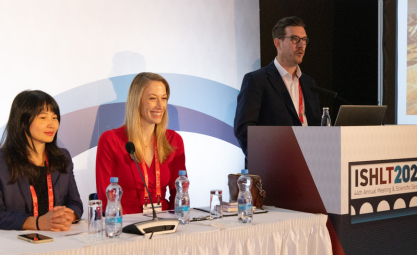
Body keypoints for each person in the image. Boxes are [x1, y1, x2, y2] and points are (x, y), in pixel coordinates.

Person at [96, 72, 186, 214]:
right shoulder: (110, 140)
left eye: (164, 98)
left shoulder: (174, 140)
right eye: (152, 98)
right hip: (125, 226)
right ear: (137, 100)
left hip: (164, 223)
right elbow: (106, 198)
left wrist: (177, 223)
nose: (160, 106)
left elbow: (180, 193)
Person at [234, 16, 321, 161]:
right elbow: (244, 129)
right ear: (278, 43)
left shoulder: (309, 83)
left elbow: (316, 125)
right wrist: (267, 160)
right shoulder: (256, 80)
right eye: (295, 39)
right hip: (273, 166)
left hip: (309, 164)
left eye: (304, 40)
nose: (301, 45)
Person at [0, 90, 83, 231]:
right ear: (23, 121)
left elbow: (75, 203)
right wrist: (38, 223)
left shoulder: (63, 158)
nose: (52, 124)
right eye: (43, 118)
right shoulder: (3, 161)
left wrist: (69, 216)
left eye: (54, 117)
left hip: (58, 240)